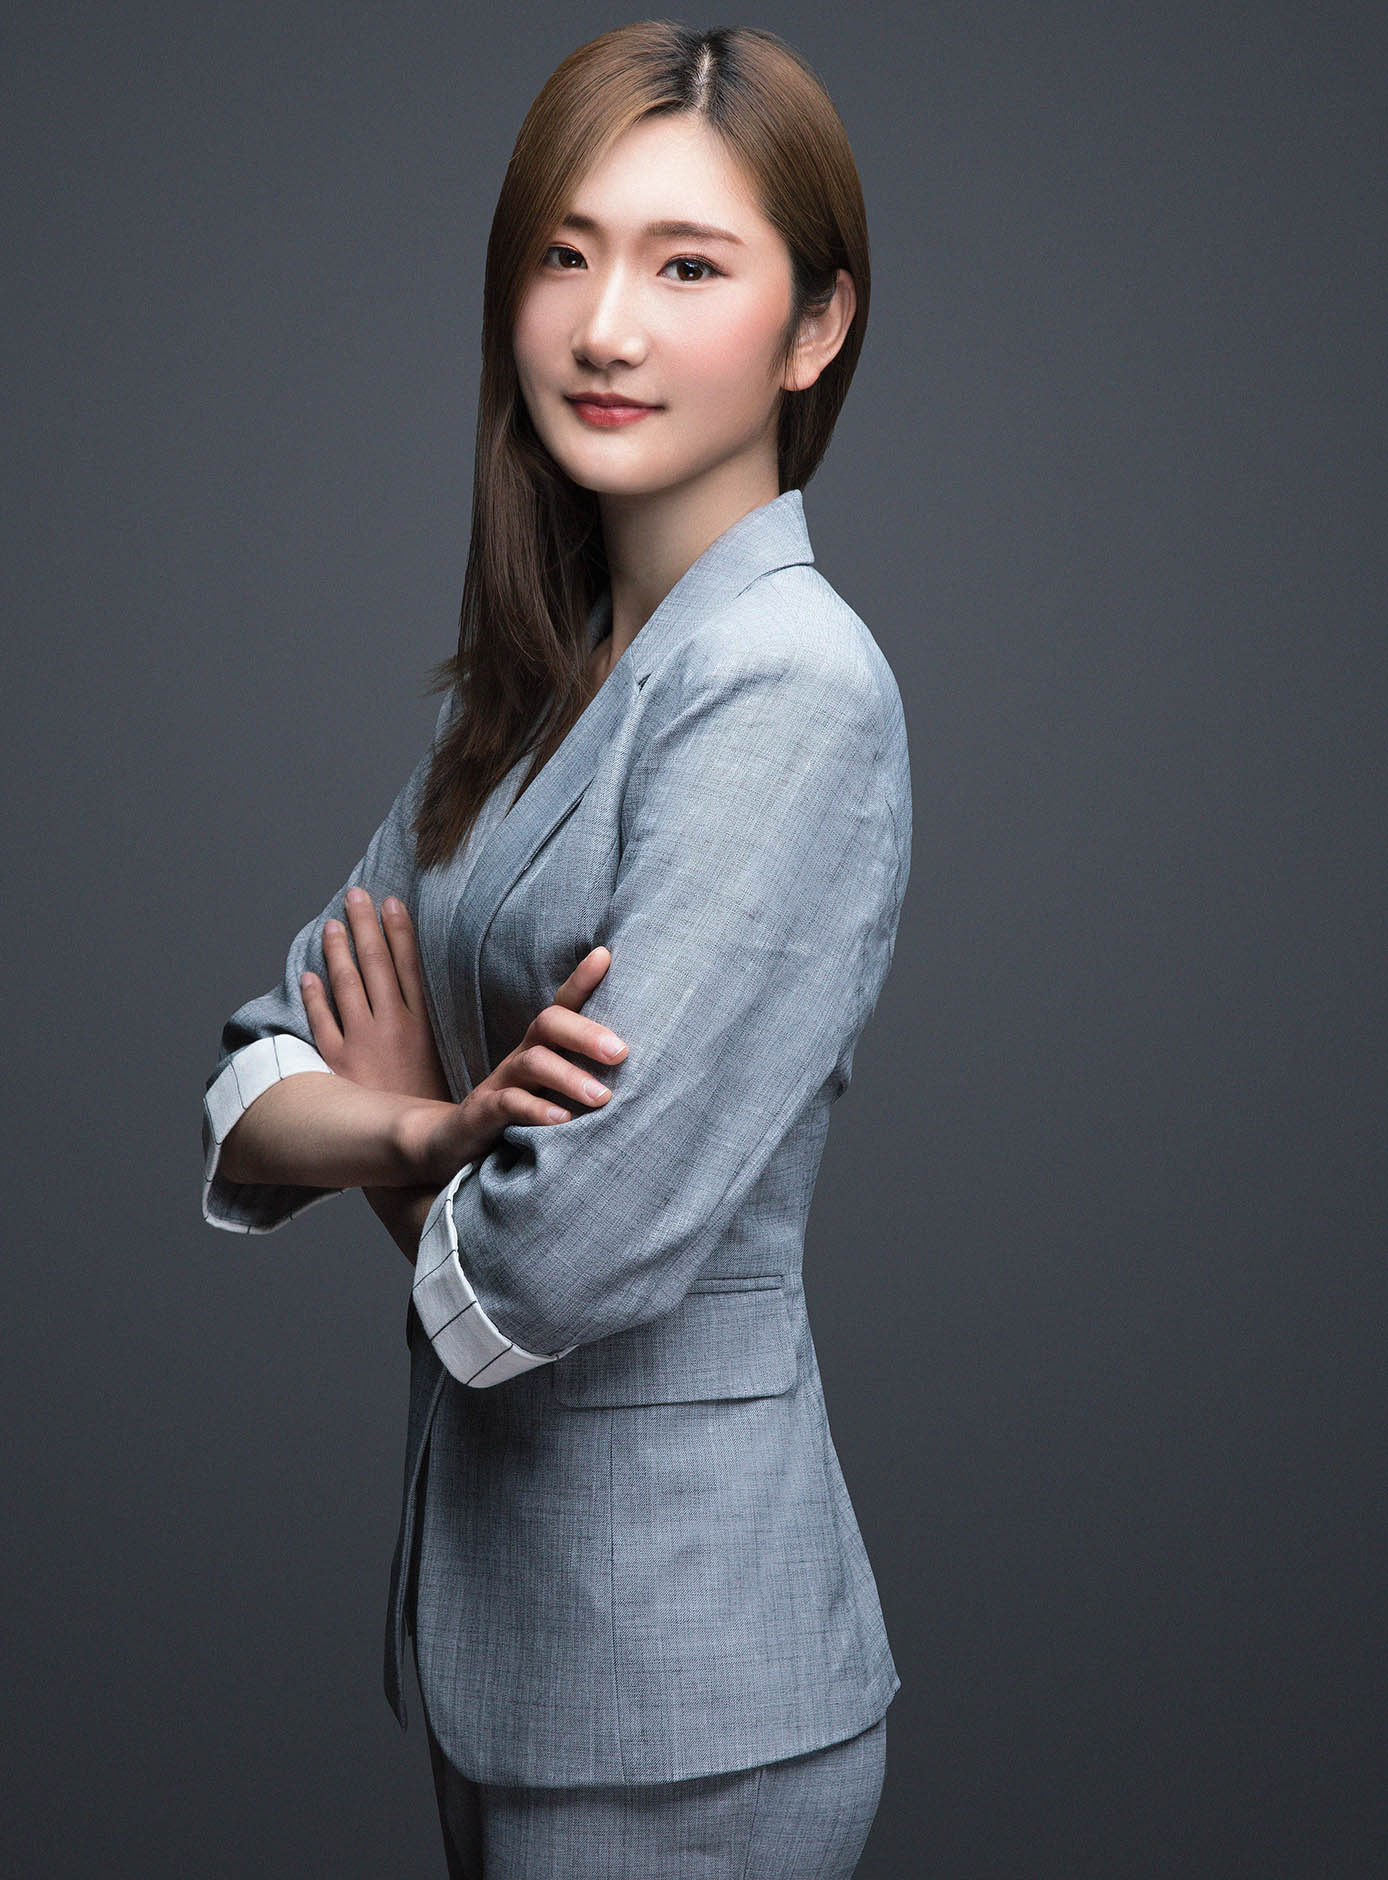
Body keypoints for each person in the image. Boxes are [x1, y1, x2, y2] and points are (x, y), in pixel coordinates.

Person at [201, 21, 912, 1877]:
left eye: (689, 268)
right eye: (564, 253)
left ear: (815, 327)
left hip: (686, 1694)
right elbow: (257, 1062)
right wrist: (421, 1126)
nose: (605, 328)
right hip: (514, 1656)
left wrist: (393, 1154)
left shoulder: (789, 683)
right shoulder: (536, 690)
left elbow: (565, 1250)